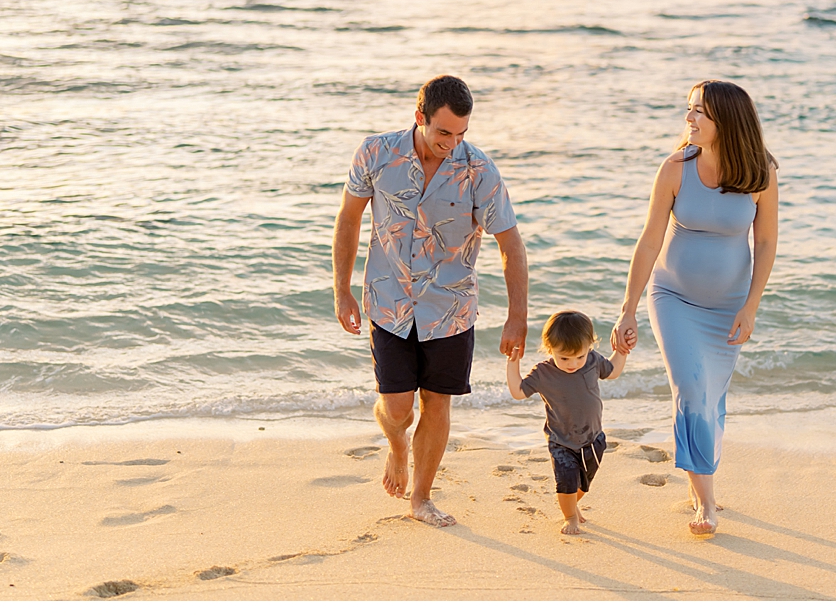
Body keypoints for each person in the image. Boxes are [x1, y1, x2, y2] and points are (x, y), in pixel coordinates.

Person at [332, 74, 529, 527]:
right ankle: (397, 444)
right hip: (389, 300)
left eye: (461, 134)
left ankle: (421, 498)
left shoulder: (480, 170)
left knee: (438, 403)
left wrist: (517, 317)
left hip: (452, 306)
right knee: (398, 407)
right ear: (419, 118)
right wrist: (342, 290)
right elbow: (349, 219)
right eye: (443, 132)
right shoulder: (376, 153)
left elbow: (511, 245)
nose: (452, 143)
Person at [611, 80, 779, 536]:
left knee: (710, 397)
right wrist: (628, 309)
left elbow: (765, 243)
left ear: (726, 120)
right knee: (690, 388)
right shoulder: (674, 168)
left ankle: (698, 474)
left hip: (728, 306)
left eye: (700, 112)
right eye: (689, 109)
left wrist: (751, 306)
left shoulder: (760, 172)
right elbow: (649, 241)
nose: (689, 118)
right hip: (673, 297)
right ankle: (707, 501)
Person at [506, 310, 627, 535]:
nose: (573, 364)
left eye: (579, 356)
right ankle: (570, 516)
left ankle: (571, 503)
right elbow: (518, 392)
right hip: (561, 440)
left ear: (589, 347)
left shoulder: (592, 361)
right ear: (549, 348)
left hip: (594, 437)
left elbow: (613, 371)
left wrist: (622, 351)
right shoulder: (543, 372)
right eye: (564, 358)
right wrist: (513, 363)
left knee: (584, 482)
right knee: (567, 480)